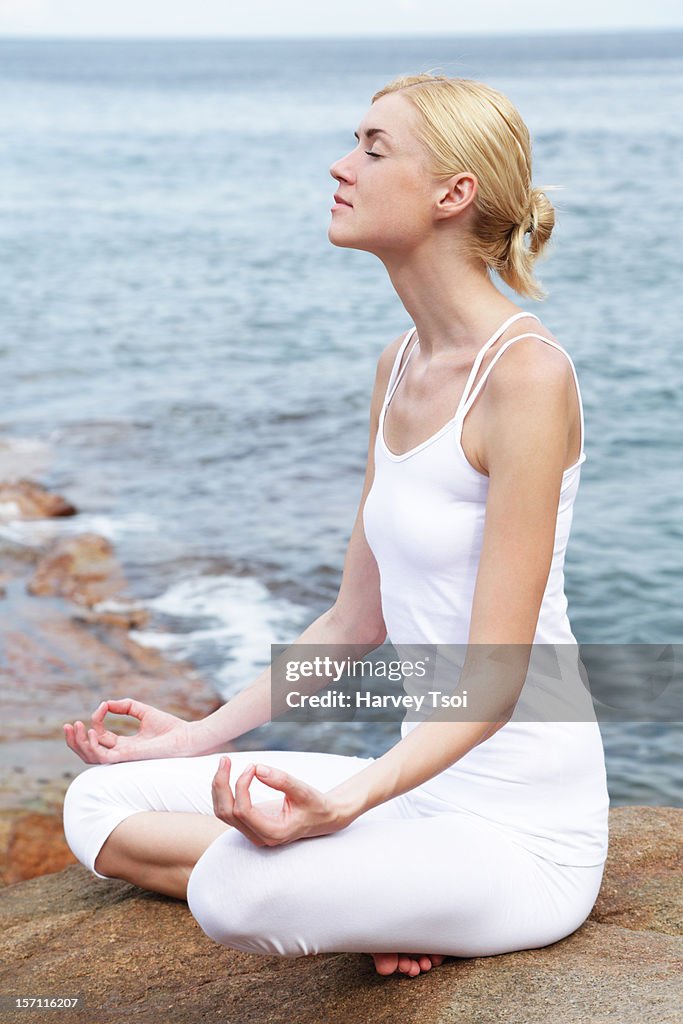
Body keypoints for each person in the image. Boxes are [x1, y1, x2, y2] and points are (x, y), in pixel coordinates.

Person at [62, 73, 609, 979]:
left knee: (239, 892)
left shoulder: (525, 375)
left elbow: (498, 681)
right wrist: (197, 736)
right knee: (98, 799)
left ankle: (363, 883)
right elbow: (356, 621)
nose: (339, 164)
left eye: (371, 147)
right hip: (414, 790)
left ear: (452, 193)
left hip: (517, 828)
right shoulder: (399, 364)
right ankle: (369, 889)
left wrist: (343, 805)